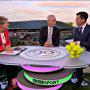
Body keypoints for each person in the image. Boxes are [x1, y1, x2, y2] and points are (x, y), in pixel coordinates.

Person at [0, 16, 19, 89]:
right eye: (6, 23)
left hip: (5, 53)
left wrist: (8, 47)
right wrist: (4, 48)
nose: (8, 24)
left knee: (13, 62)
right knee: (8, 64)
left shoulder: (6, 31)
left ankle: (12, 82)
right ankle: (10, 82)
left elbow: (8, 43)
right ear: (1, 25)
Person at [71, 11, 90, 87]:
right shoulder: (76, 29)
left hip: (88, 53)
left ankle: (80, 80)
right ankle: (79, 79)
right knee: (78, 66)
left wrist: (78, 42)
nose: (75, 20)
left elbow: (89, 43)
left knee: (81, 66)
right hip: (78, 53)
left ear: (83, 20)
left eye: (77, 19)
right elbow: (75, 41)